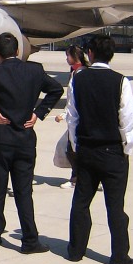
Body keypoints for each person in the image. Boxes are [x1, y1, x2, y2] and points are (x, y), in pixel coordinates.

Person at [0, 32, 63, 253]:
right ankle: (29, 240)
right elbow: (56, 89)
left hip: (1, 139)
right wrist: (39, 112)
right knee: (23, 192)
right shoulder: (34, 70)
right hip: (24, 139)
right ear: (18, 51)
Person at [65, 35, 133, 264]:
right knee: (115, 206)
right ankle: (119, 255)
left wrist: (78, 147)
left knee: (81, 202)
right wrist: (125, 149)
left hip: (87, 150)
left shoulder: (78, 79)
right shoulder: (121, 81)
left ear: (90, 53)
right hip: (112, 152)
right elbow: (127, 119)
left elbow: (72, 117)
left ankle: (76, 250)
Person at [54, 44, 90, 188]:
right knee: (70, 149)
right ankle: (80, 177)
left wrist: (64, 114)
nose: (66, 59)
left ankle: (77, 179)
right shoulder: (75, 72)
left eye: (68, 55)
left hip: (77, 117)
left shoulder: (81, 73)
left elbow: (75, 99)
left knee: (72, 150)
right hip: (74, 116)